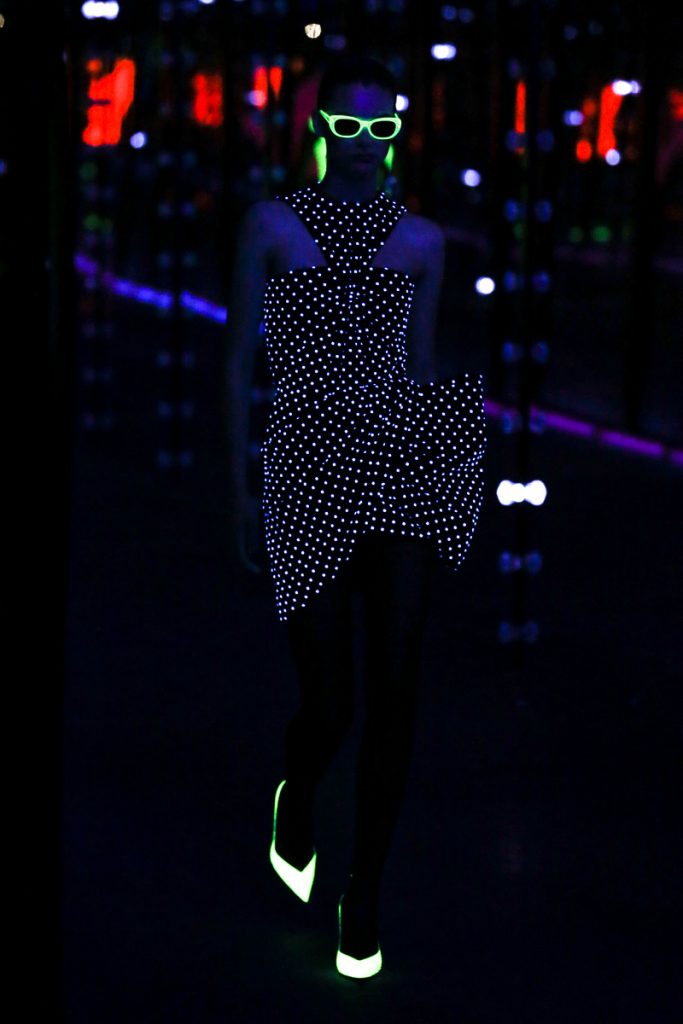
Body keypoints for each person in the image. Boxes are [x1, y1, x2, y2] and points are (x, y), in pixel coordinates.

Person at [225, 54, 486, 980]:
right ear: (318, 129)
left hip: (398, 467)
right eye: (348, 126)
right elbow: (239, 360)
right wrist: (240, 488)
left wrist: (447, 471)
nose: (366, 143)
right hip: (304, 468)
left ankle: (363, 895)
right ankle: (296, 799)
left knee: (397, 689)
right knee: (331, 700)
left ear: (398, 132)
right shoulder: (271, 225)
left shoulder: (420, 241)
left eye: (382, 127)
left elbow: (418, 365)